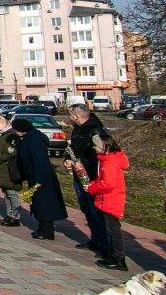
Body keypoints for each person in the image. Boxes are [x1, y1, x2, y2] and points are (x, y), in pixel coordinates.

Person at [78, 132, 130, 271]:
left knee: (113, 231)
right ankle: (113, 255)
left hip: (111, 200)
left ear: (105, 147)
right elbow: (103, 180)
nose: (94, 149)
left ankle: (119, 259)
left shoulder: (109, 163)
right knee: (110, 229)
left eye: (96, 146)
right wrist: (92, 184)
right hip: (107, 199)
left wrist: (91, 188)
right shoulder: (106, 160)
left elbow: (108, 184)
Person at [66, 105, 111, 258]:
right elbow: (73, 149)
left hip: (92, 176)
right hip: (80, 175)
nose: (69, 118)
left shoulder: (95, 130)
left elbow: (102, 154)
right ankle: (96, 239)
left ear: (76, 116)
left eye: (70, 115)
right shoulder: (77, 129)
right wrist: (68, 160)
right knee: (86, 207)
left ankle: (105, 245)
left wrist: (83, 164)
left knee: (96, 210)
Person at [14, 117, 67, 240]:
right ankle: (42, 228)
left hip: (41, 177)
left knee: (44, 204)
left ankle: (47, 231)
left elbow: (39, 161)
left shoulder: (34, 140)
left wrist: (39, 179)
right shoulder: (30, 137)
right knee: (38, 203)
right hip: (35, 175)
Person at [0, 114, 23, 227]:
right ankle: (9, 214)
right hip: (0, 169)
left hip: (9, 168)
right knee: (6, 192)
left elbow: (10, 151)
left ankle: (15, 216)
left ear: (4, 123)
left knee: (12, 192)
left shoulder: (12, 135)